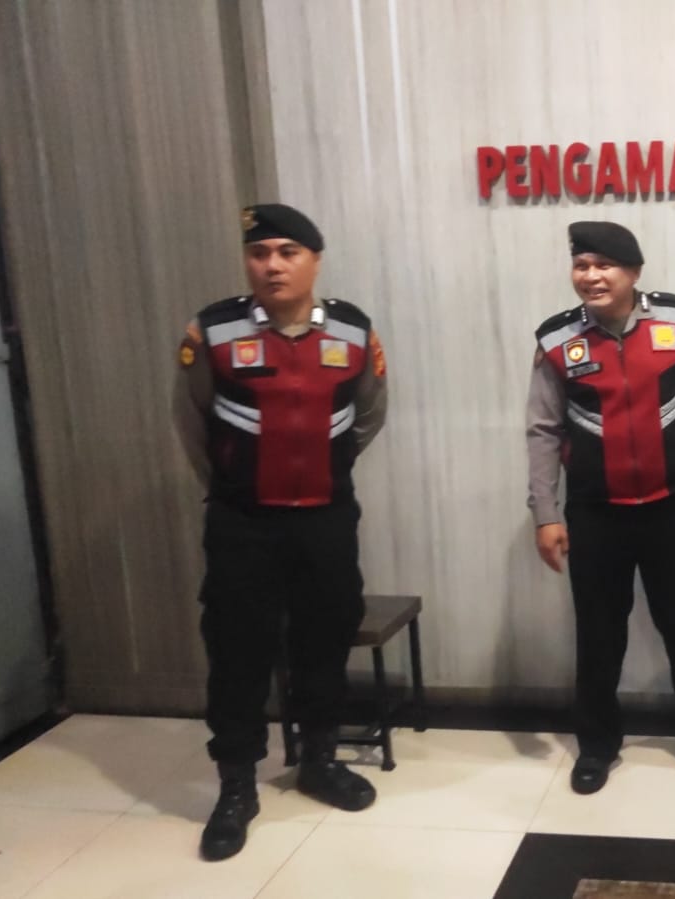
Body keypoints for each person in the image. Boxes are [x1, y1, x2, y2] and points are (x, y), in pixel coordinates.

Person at [173, 203, 388, 861]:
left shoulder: (353, 329)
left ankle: (319, 760)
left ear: (314, 260)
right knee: (237, 648)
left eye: (287, 252)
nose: (272, 264)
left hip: (326, 517)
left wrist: (324, 464)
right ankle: (236, 786)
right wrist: (235, 484)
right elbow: (191, 421)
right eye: (260, 252)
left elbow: (369, 414)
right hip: (244, 522)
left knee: (325, 637)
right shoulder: (213, 330)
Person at [525, 221, 675, 796]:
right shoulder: (557, 340)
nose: (591, 276)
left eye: (604, 265)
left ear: (634, 271)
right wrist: (546, 513)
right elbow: (542, 429)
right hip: (596, 513)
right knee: (598, 636)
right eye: (582, 265)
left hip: (672, 507)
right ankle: (596, 746)